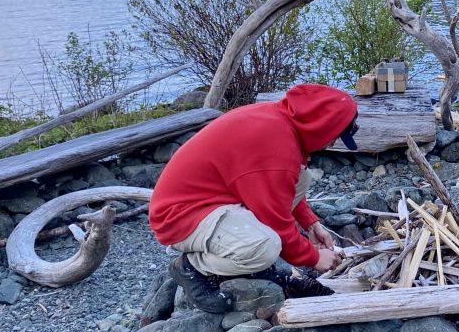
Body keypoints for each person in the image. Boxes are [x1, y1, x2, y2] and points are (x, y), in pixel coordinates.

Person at [149, 84, 359, 313]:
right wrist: (314, 257)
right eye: (335, 136)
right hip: (179, 216)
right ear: (323, 127)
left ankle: (238, 251)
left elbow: (279, 189)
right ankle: (193, 267)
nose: (332, 143)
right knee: (266, 247)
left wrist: (310, 222)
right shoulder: (276, 146)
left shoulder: (279, 120)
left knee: (301, 175)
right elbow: (274, 220)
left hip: (209, 199)